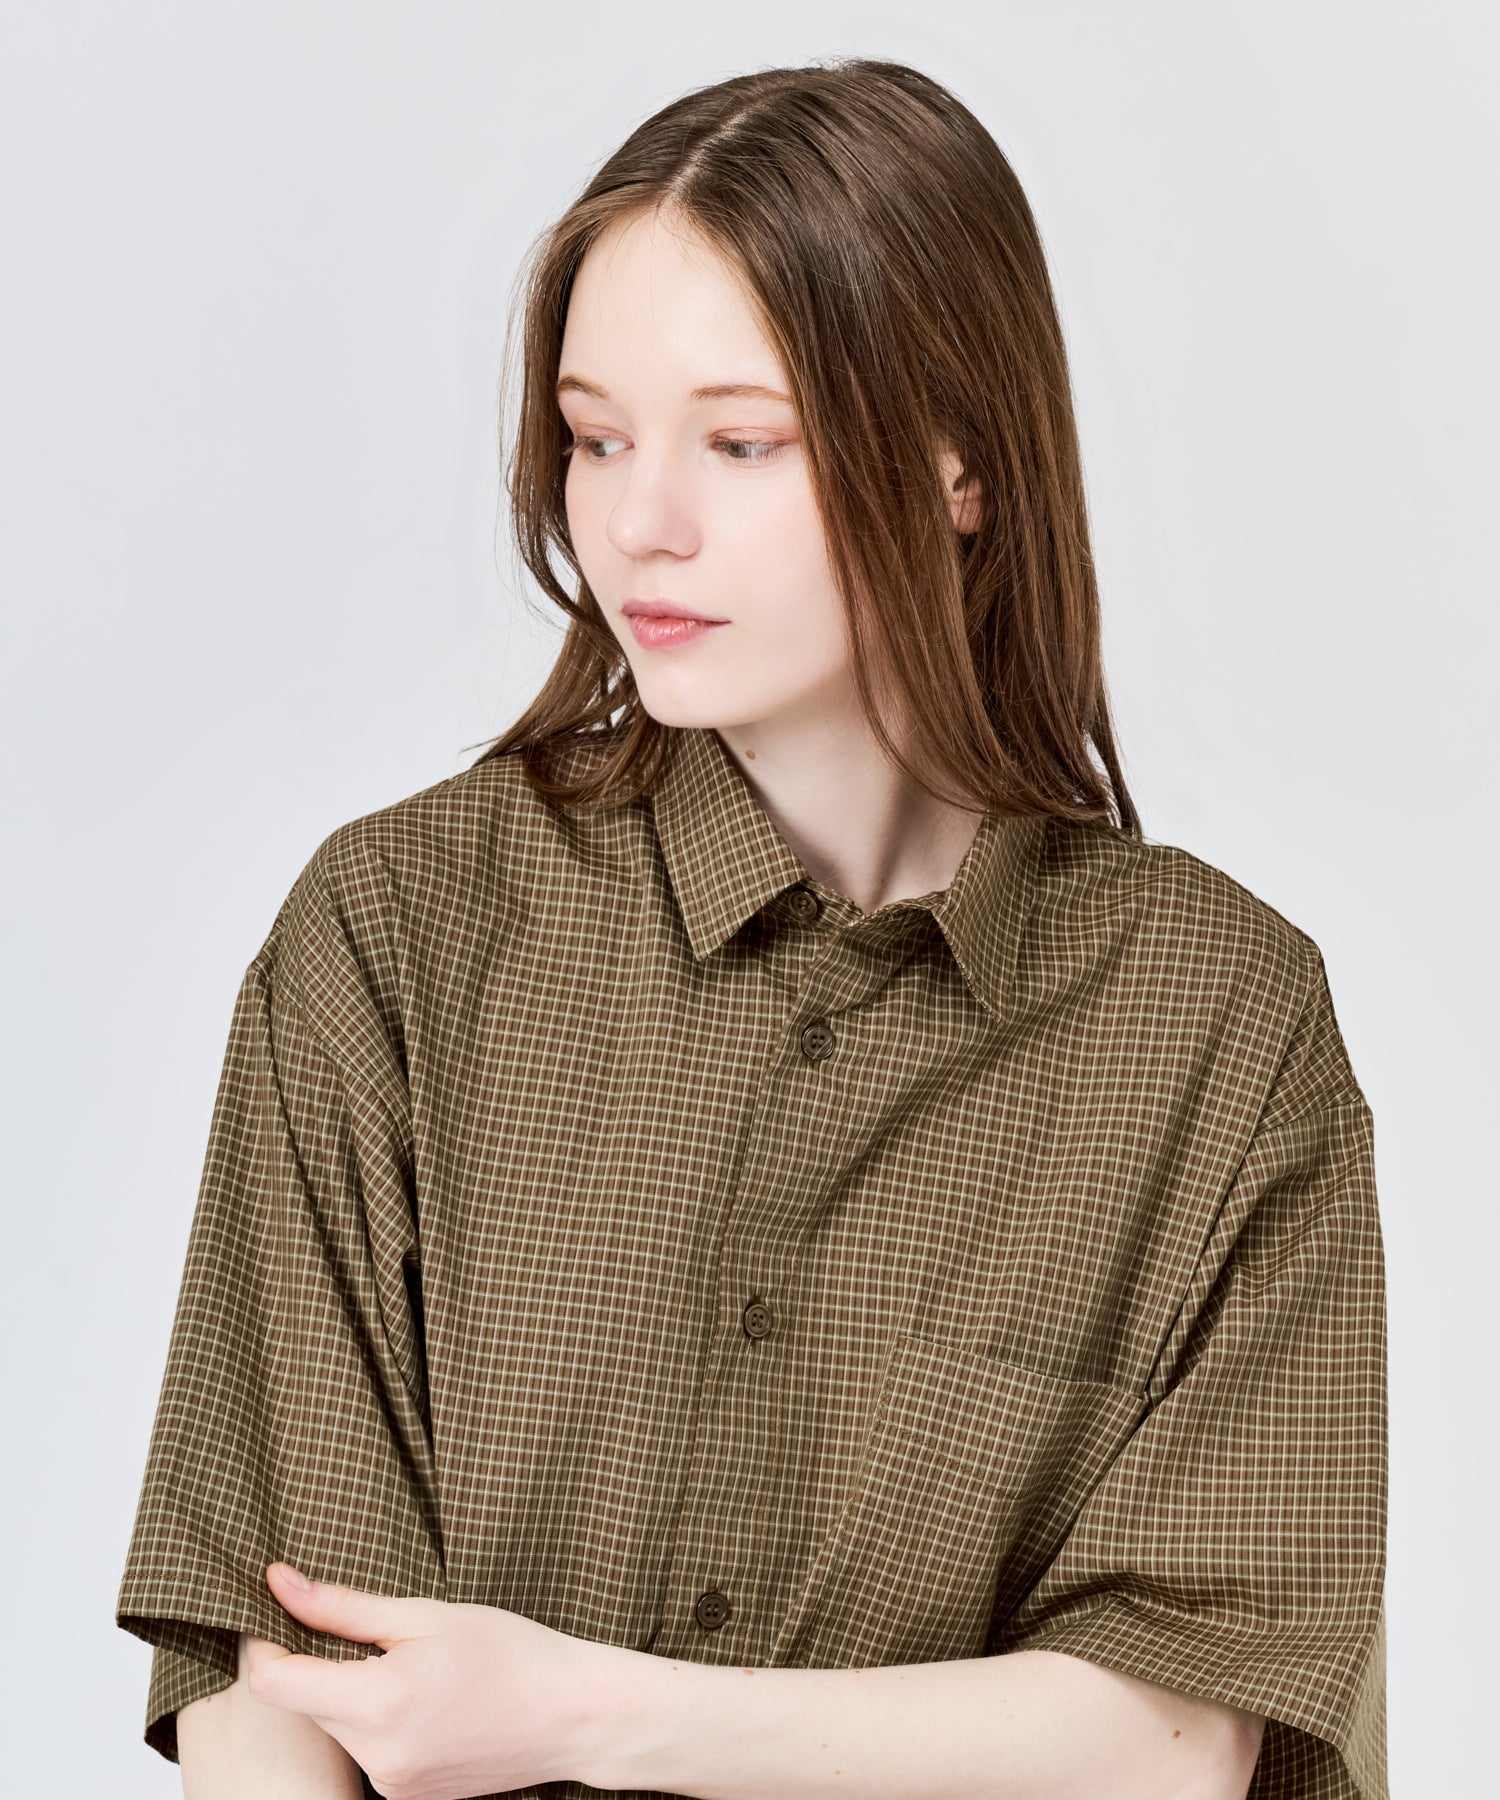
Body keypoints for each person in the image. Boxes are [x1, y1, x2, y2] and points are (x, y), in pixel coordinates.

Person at [115, 55, 1387, 1800]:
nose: (639, 525)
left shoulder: (1217, 1024)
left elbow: (1176, 1741)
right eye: (596, 437)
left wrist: (589, 1711)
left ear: (960, 464)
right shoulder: (399, 934)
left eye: (741, 443)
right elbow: (274, 1654)